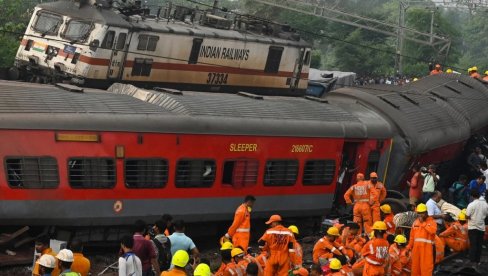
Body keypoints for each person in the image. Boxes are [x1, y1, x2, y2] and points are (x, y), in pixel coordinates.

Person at [407, 203, 437, 276]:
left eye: (422, 213)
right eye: (419, 213)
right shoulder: (415, 222)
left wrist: (423, 223)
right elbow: (412, 237)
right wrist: (408, 247)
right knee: (415, 269)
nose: (420, 215)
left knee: (426, 270)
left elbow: (432, 231)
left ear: (426, 212)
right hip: (416, 250)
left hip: (427, 250)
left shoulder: (432, 222)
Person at [466, 190, 488, 265]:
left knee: (473, 245)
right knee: (479, 244)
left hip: (472, 227)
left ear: (472, 196)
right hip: (481, 227)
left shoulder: (471, 205)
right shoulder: (485, 204)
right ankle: (477, 260)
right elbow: (486, 214)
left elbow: (467, 215)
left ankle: (472, 261)